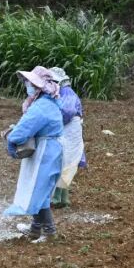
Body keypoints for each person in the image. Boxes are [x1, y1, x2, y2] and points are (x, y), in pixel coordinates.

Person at [3, 67, 63, 243]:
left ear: (38, 85)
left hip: (46, 153)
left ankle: (50, 233)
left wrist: (11, 138)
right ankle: (36, 230)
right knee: (40, 191)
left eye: (29, 83)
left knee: (38, 192)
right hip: (50, 150)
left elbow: (22, 131)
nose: (27, 85)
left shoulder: (41, 107)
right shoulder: (47, 103)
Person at [47, 67, 86, 209]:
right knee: (66, 163)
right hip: (71, 131)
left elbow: (67, 112)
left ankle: (58, 198)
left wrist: (53, 123)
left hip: (69, 130)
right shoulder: (66, 92)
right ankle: (64, 198)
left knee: (63, 162)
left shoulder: (66, 93)